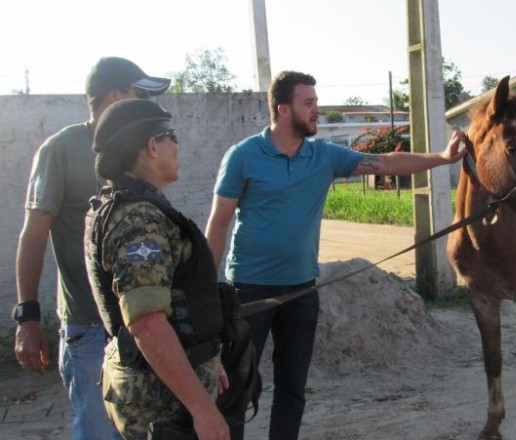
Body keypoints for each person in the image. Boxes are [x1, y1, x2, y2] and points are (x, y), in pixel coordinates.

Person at [205, 70, 466, 440]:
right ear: (283, 109)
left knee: (292, 389)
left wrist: (441, 158)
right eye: (309, 102)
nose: (318, 109)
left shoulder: (323, 155)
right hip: (250, 291)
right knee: (236, 388)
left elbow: (385, 162)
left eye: (316, 101)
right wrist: (206, 292)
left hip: (302, 290)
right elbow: (218, 224)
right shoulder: (243, 157)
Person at [13, 57, 170, 440]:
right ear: (115, 97)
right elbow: (34, 234)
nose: (149, 105)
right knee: (99, 431)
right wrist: (27, 316)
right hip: (90, 328)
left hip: (143, 321)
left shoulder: (141, 149)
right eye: (141, 95)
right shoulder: (61, 150)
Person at [84, 99, 230, 440]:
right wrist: (203, 410)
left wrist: (208, 357)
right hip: (163, 403)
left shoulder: (127, 205)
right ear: (152, 146)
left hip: (165, 387)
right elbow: (147, 325)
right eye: (172, 136)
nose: (177, 146)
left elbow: (176, 301)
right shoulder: (139, 219)